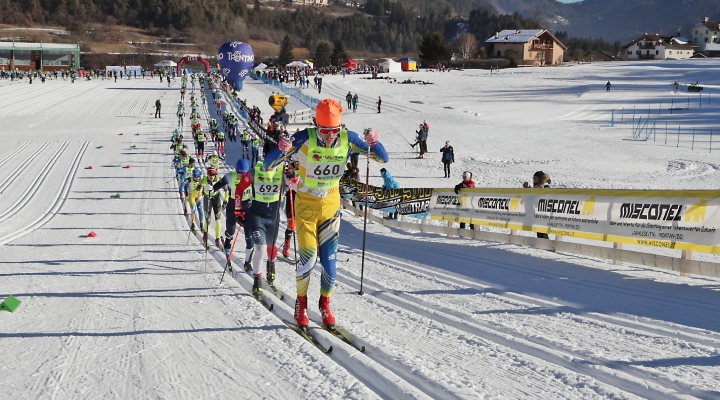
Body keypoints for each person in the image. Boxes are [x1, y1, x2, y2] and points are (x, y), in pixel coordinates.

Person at [264, 99, 388, 328]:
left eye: (334, 130)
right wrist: (280, 149)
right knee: (308, 259)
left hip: (331, 206)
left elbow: (382, 158)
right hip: (306, 206)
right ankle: (301, 302)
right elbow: (267, 165)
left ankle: (325, 303)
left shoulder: (348, 138)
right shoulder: (302, 138)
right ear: (316, 125)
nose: (330, 135)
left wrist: (374, 142)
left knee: (331, 266)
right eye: (324, 130)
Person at [234, 159, 284, 295]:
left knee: (271, 247)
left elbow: (296, 186)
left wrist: (293, 178)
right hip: (257, 216)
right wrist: (238, 211)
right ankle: (257, 281)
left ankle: (271, 265)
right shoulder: (254, 172)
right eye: (268, 162)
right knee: (260, 248)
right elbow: (239, 189)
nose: (269, 167)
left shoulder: (282, 172)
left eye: (273, 162)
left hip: (273, 217)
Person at [215, 159, 254, 274]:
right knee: (231, 230)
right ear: (236, 171)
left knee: (250, 237)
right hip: (233, 204)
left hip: (247, 206)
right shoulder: (230, 176)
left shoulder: (252, 176)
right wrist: (211, 188)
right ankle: (228, 241)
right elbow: (219, 185)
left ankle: (247, 262)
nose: (242, 176)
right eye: (240, 174)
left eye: (244, 174)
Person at [203, 167, 228, 249]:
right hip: (207, 199)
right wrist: (199, 190)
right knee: (208, 220)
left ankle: (217, 239)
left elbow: (226, 190)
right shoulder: (204, 180)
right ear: (207, 174)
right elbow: (198, 186)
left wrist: (225, 201)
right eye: (210, 174)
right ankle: (205, 235)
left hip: (216, 199)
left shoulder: (218, 179)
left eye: (213, 174)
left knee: (218, 219)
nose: (211, 176)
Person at [523, 171, 551, 239]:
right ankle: (542, 245)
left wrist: (543, 190)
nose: (534, 180)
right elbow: (533, 194)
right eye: (533, 178)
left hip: (544, 212)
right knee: (539, 231)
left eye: (535, 178)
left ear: (540, 178)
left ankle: (546, 245)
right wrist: (528, 188)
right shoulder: (536, 187)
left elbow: (549, 194)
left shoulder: (545, 186)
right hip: (537, 211)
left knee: (542, 231)